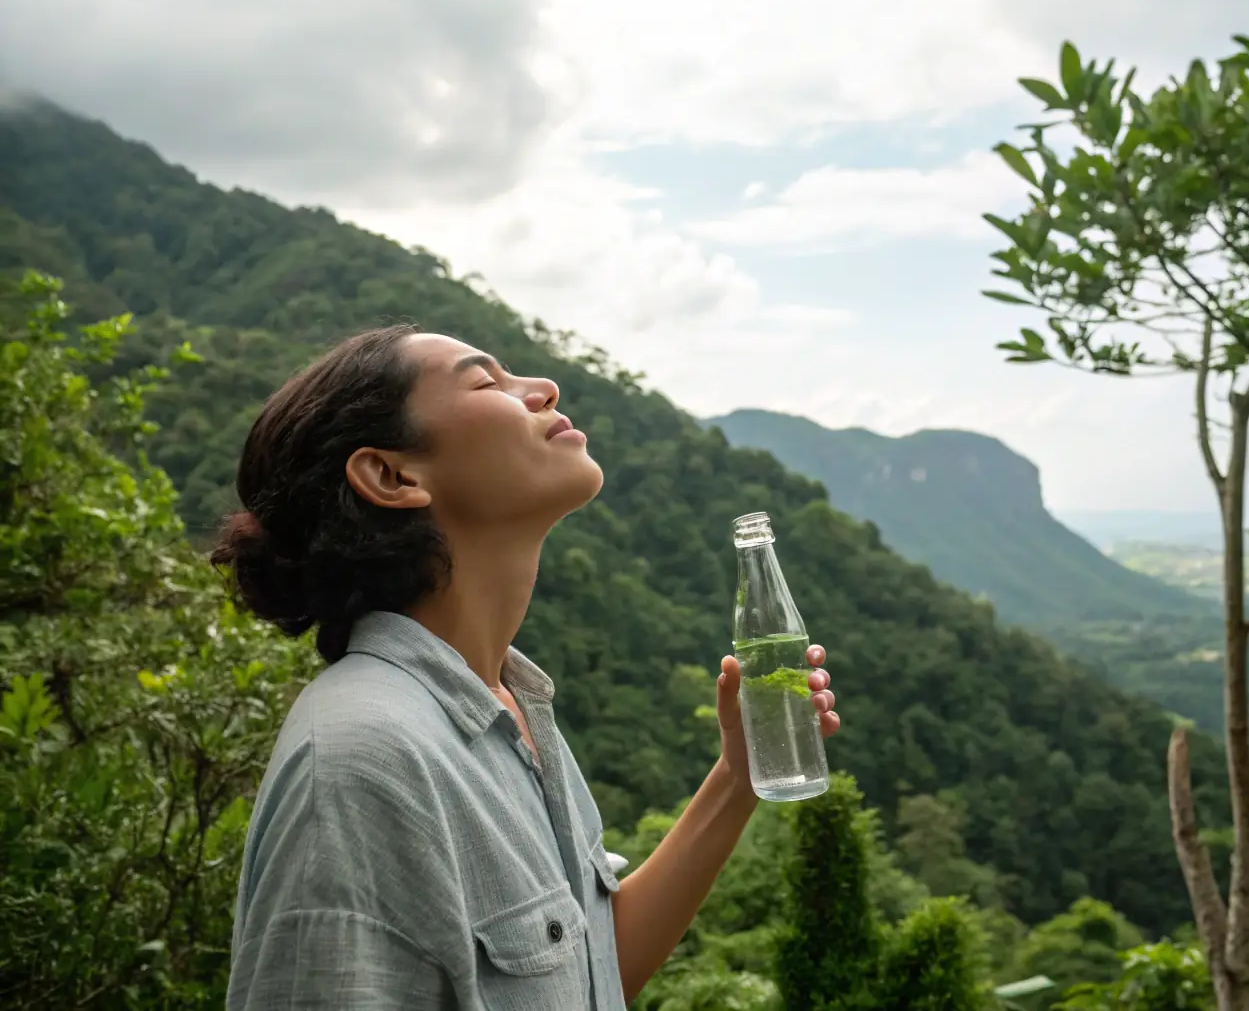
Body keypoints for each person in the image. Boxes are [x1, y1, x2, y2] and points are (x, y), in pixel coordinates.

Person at [213, 325, 841, 1009]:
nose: (544, 389)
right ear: (392, 476)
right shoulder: (361, 762)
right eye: (486, 382)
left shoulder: (506, 706)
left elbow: (592, 974)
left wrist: (737, 778)